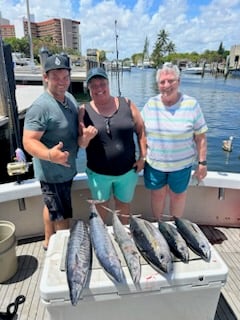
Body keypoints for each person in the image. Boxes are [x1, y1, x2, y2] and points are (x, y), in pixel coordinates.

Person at [23, 54, 79, 250]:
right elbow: (28, 141)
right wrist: (50, 155)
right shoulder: (40, 107)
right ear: (45, 77)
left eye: (65, 77)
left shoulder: (69, 98)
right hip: (51, 173)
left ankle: (48, 240)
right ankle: (63, 249)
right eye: (56, 77)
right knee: (61, 215)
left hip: (66, 171)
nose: (61, 82)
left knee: (52, 206)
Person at [78, 67, 146, 224]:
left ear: (108, 84)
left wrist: (143, 157)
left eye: (102, 83)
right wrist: (86, 137)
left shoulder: (127, 103)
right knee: (100, 208)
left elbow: (141, 130)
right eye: (93, 85)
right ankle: (101, 240)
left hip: (127, 172)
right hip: (98, 174)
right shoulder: (83, 110)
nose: (99, 88)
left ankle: (125, 239)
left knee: (124, 207)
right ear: (88, 88)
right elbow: (81, 144)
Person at [141, 62, 208, 221]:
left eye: (171, 80)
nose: (166, 85)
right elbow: (140, 131)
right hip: (155, 164)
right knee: (157, 196)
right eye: (162, 82)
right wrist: (142, 155)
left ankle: (176, 228)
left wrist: (202, 163)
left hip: (181, 165)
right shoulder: (151, 104)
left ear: (178, 81)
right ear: (158, 85)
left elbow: (201, 137)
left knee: (178, 197)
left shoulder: (191, 104)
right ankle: (159, 226)